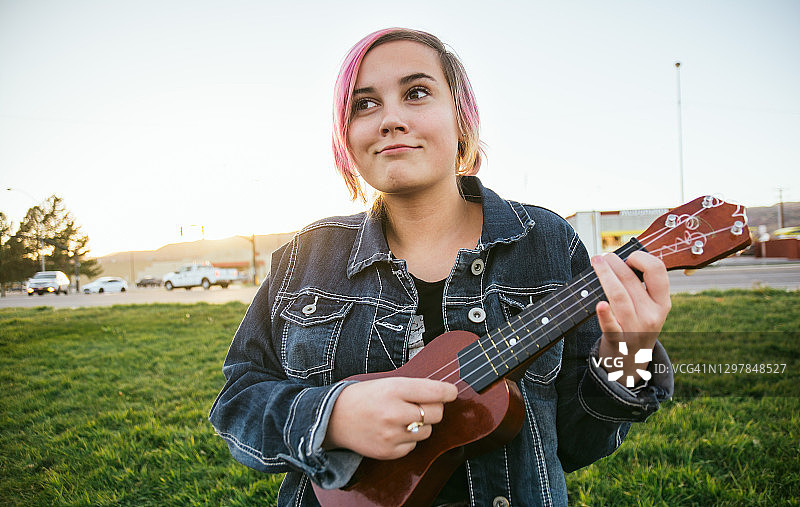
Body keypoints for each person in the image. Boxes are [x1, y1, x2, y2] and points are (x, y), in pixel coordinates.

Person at [209, 28, 674, 507]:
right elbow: (237, 403)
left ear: (461, 116)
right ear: (345, 134)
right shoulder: (308, 254)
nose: (390, 120)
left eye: (416, 93)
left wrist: (628, 357)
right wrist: (333, 417)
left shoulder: (547, 241)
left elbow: (579, 444)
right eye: (364, 104)